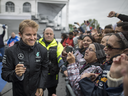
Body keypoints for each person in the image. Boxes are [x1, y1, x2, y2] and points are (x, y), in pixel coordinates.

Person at [1, 20, 49, 96]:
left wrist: (41, 86)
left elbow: (45, 69)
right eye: (28, 35)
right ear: (20, 34)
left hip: (37, 93)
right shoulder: (11, 51)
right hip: (19, 93)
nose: (32, 38)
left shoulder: (42, 50)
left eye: (34, 34)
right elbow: (4, 74)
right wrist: (15, 74)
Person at [79, 32, 128, 96]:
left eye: (109, 46)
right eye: (106, 45)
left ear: (125, 51)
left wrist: (84, 80)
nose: (104, 48)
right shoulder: (109, 64)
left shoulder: (116, 68)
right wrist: (99, 77)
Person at [39, 27, 65, 96]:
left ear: (53, 35)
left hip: (53, 76)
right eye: (47, 33)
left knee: (52, 94)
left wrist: (63, 68)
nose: (49, 35)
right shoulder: (37, 43)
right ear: (43, 34)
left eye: (50, 34)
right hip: (40, 76)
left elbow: (60, 57)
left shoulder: (58, 44)